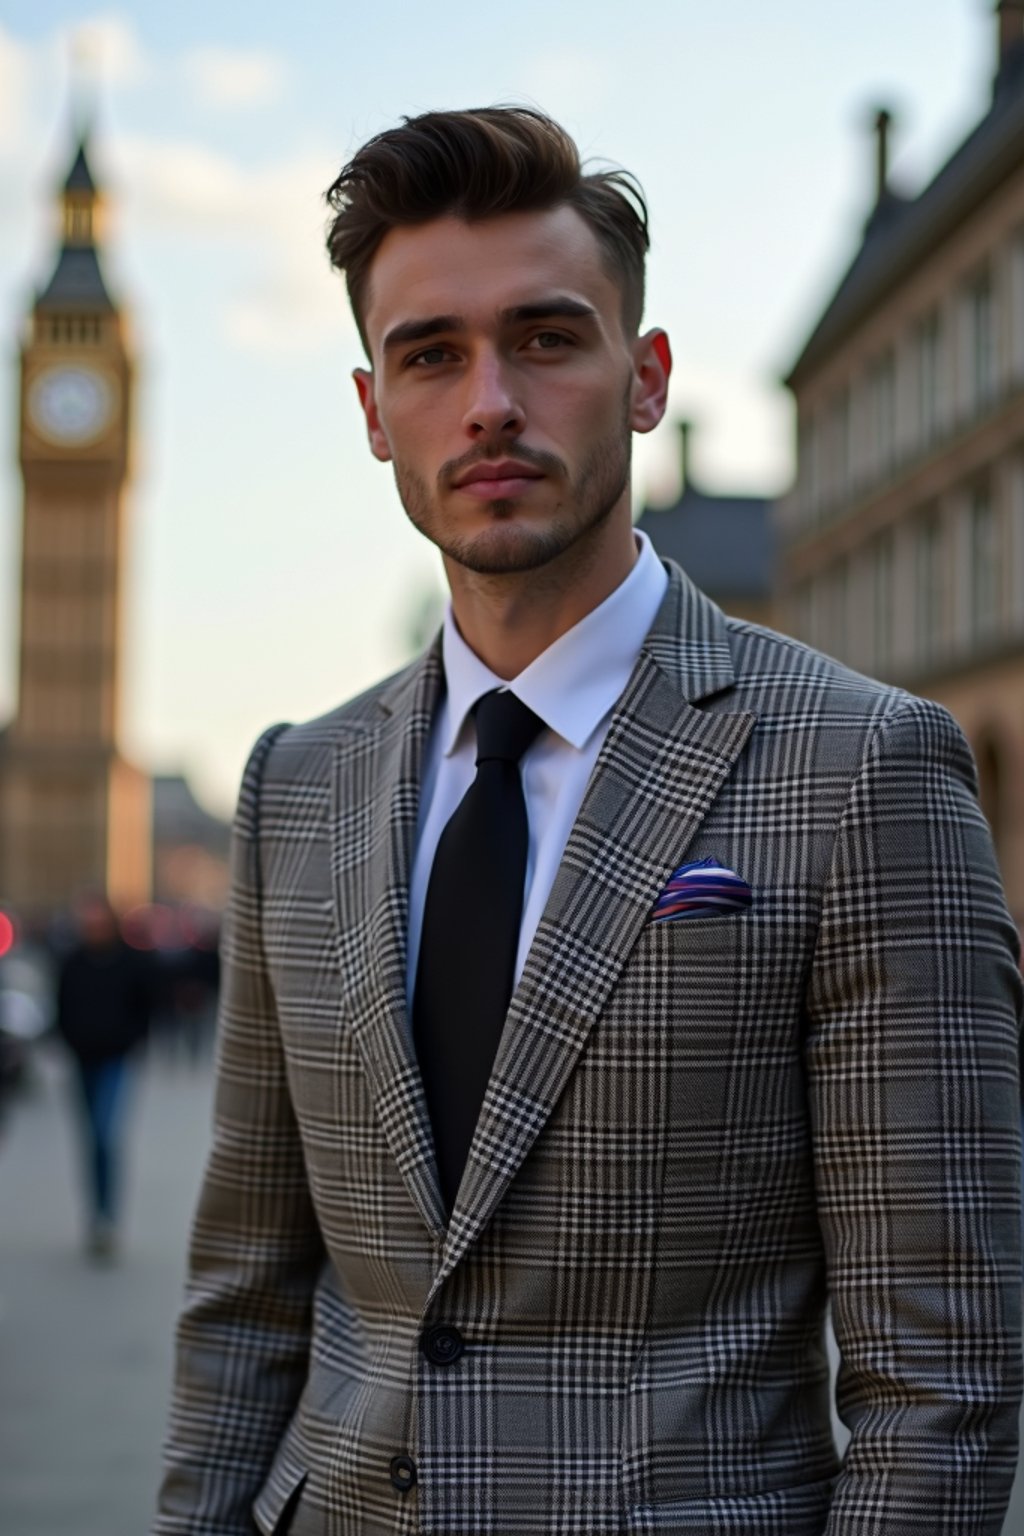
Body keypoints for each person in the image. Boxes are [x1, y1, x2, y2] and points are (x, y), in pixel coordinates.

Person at [155, 108, 1022, 1535]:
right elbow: (243, 1298)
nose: (489, 401)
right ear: (374, 411)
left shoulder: (867, 767)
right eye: (432, 355)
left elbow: (940, 1381)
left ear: (646, 377)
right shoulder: (292, 787)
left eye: (547, 339)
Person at [54, 891, 151, 1257]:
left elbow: (145, 1004)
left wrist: (133, 1040)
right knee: (90, 1138)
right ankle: (95, 1213)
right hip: (82, 1058)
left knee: (105, 1133)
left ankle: (107, 1215)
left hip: (116, 1057)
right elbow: (61, 1004)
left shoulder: (129, 961)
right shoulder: (73, 961)